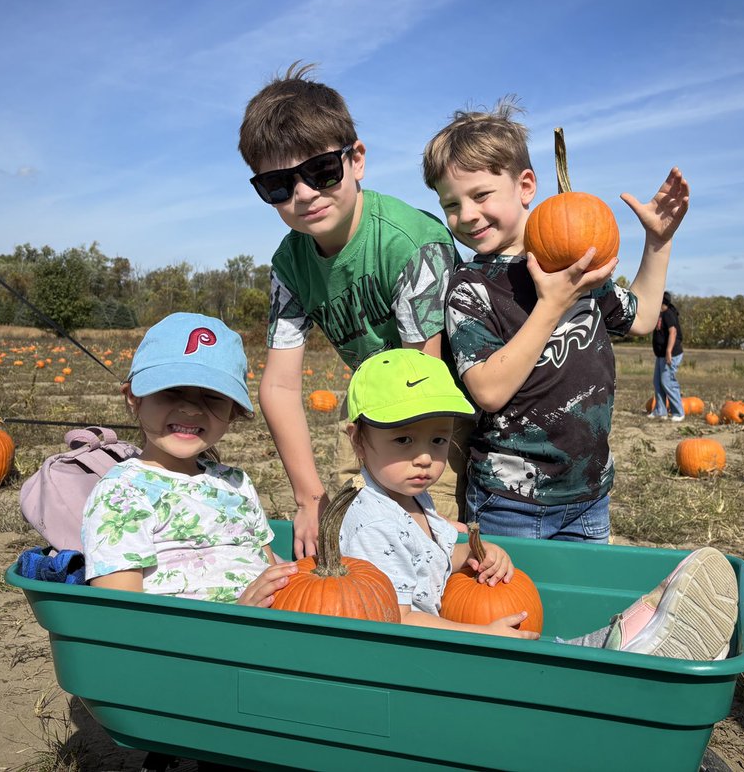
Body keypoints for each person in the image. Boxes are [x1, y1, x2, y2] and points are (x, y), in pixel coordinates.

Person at [338, 349, 739, 660]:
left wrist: (478, 554)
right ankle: (621, 646)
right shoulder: (373, 525)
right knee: (536, 659)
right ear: (358, 439)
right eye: (404, 441)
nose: (424, 458)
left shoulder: (409, 496)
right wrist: (485, 634)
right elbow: (397, 620)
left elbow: (429, 559)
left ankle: (628, 638)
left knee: (534, 647)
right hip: (415, 657)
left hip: (444, 635)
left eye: (438, 441)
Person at [421, 100, 688, 541]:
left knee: (577, 606)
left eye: (481, 195)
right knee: (506, 605)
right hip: (509, 501)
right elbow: (487, 390)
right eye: (451, 204)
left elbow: (639, 318)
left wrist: (658, 243)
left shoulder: (576, 266)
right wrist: (551, 304)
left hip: (589, 493)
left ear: (525, 185)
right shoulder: (470, 288)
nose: (466, 215)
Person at [238, 63, 461, 558]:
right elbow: (277, 384)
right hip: (369, 396)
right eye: (278, 185)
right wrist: (308, 496)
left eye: (320, 172)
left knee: (427, 543)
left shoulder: (410, 243)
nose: (304, 194)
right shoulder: (289, 263)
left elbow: (421, 377)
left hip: (439, 405)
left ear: (356, 159)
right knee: (349, 534)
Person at [80, 313, 299, 606]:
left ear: (233, 411)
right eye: (172, 390)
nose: (192, 409)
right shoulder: (121, 494)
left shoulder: (236, 483)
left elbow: (267, 565)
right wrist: (238, 616)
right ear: (135, 397)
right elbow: (123, 617)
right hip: (183, 646)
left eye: (213, 396)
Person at [650, 291, 685, 421]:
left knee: (667, 381)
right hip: (660, 355)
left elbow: (673, 332)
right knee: (658, 382)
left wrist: (669, 351)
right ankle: (660, 411)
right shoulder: (660, 314)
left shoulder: (668, 314)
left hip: (671, 354)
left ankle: (678, 412)